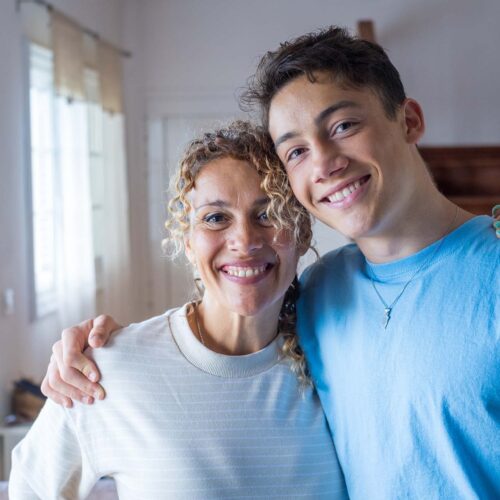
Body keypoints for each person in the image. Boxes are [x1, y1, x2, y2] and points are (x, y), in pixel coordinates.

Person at [41, 27, 499, 499]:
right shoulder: (321, 293)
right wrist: (92, 350)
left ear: (409, 120)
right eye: (296, 150)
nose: (323, 162)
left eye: (343, 125)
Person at [10, 121, 348, 499]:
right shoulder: (109, 369)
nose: (245, 241)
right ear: (187, 241)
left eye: (268, 214)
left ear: (301, 233)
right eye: (216, 218)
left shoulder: (338, 358)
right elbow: (31, 488)